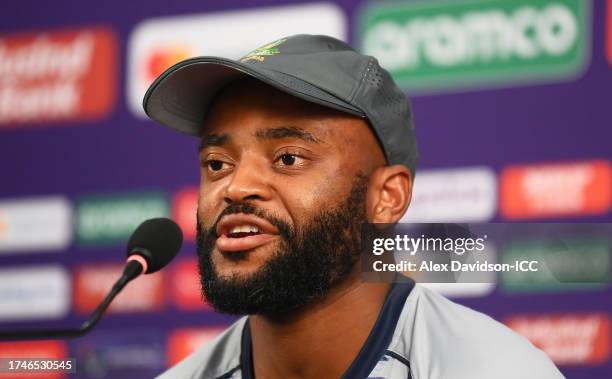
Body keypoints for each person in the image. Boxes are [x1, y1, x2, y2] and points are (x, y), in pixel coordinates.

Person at [143, 34, 563, 379]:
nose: (236, 187)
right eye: (217, 164)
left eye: (288, 158)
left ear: (387, 197)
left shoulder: (494, 370)